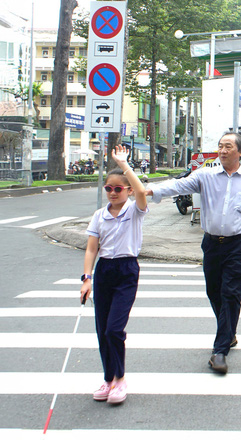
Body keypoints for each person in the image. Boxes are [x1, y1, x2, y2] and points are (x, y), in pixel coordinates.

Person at [146, 132, 241, 374]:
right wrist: (151, 191)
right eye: (220, 146)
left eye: (228, 146)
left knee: (231, 293)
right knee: (214, 292)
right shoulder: (205, 176)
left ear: (240, 152)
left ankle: (219, 351)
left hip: (238, 245)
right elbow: (178, 185)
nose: (222, 150)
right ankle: (229, 333)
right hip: (211, 244)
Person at [80, 145, 148, 405]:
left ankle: (120, 379)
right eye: (108, 188)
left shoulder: (134, 210)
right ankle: (108, 378)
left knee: (114, 329)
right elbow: (91, 249)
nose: (112, 193)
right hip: (104, 271)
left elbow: (142, 191)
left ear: (127, 191)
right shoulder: (99, 216)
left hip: (127, 270)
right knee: (101, 330)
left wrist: (124, 164)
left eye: (118, 189)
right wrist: (86, 279)